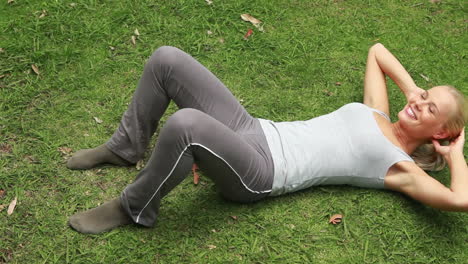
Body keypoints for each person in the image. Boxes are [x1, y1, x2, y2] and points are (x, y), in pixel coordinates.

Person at [67, 44, 468, 234]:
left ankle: (135, 208)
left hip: (262, 172)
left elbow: (459, 200)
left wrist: (456, 154)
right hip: (255, 129)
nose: (418, 102)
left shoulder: (399, 167)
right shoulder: (377, 110)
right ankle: (126, 146)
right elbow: (378, 52)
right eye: (424, 96)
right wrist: (415, 89)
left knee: (185, 124)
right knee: (166, 60)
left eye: (431, 109)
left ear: (440, 133)